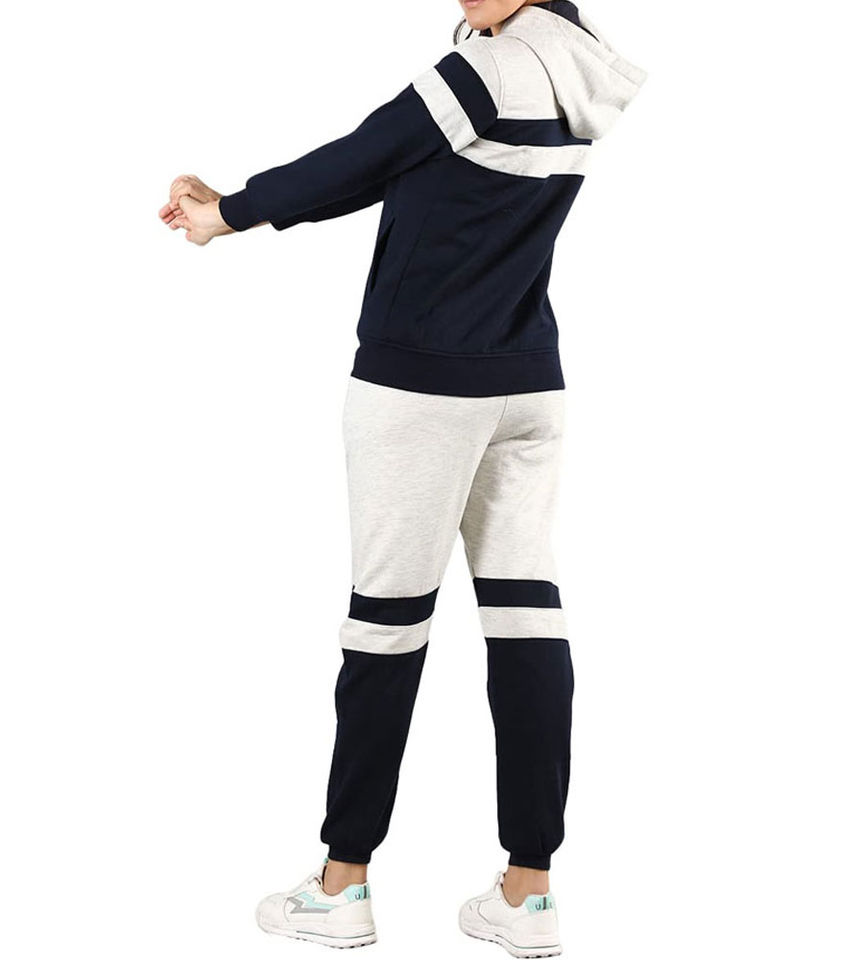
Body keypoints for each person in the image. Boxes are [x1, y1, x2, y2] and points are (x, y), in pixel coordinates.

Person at [159, 1, 644, 955]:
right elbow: (393, 168)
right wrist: (242, 204)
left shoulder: (484, 73)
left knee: (384, 631)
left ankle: (342, 885)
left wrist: (226, 215)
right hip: (527, 383)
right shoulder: (576, 70)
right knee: (526, 621)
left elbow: (361, 155)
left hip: (421, 383)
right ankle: (529, 895)